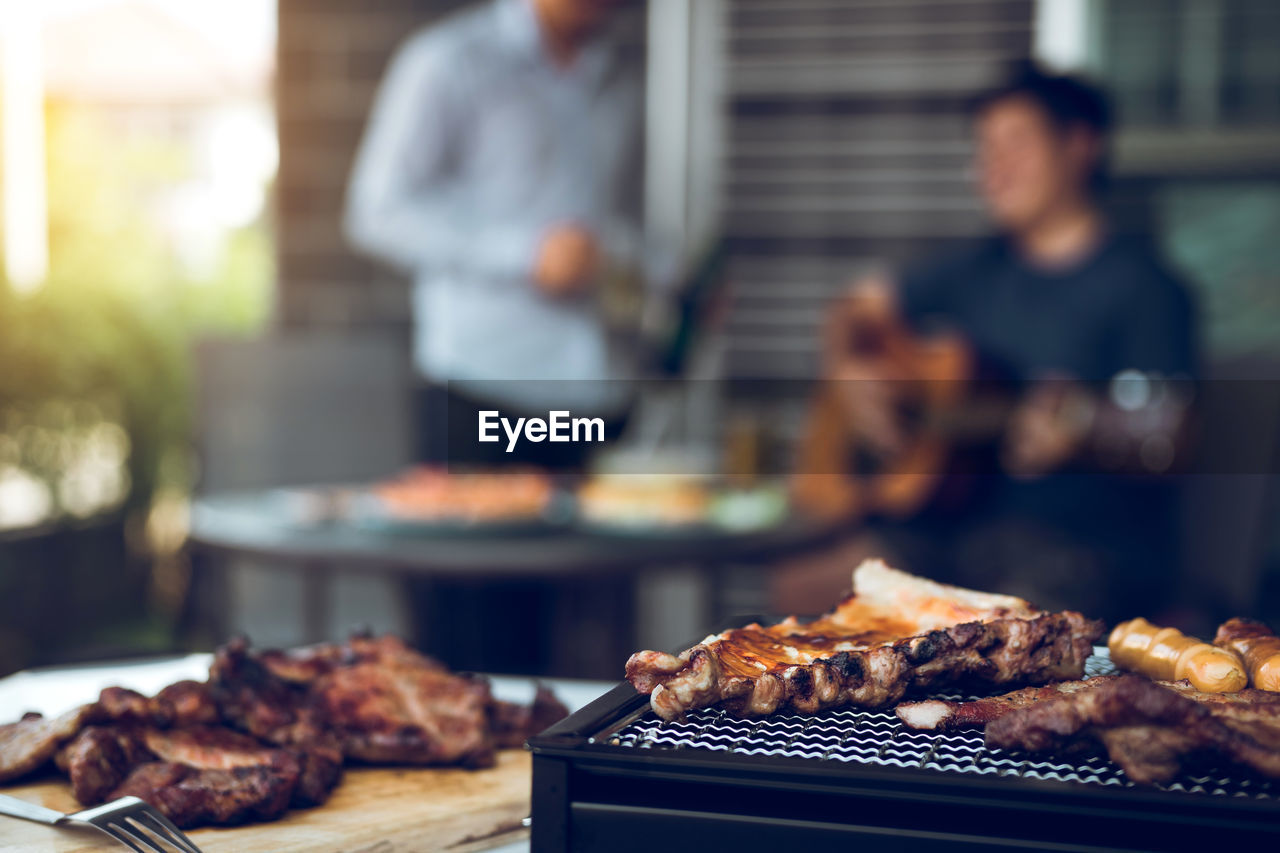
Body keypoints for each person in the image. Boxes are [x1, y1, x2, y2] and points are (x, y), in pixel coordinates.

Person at [782, 64, 1198, 622]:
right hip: (950, 531)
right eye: (984, 149)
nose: (991, 169)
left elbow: (1168, 437)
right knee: (803, 583)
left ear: (1079, 146)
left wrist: (1082, 431)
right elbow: (850, 309)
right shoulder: (975, 268)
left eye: (1015, 146)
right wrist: (852, 374)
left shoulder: (1146, 288)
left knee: (996, 633)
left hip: (1080, 552)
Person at [345, 0, 647, 472]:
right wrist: (526, 256)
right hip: (486, 390)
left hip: (595, 393)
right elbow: (379, 211)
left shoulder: (624, 74)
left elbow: (615, 218)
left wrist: (665, 274)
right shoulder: (449, 61)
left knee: (588, 544)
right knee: (487, 537)